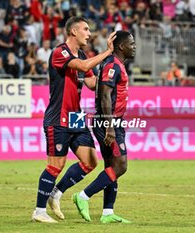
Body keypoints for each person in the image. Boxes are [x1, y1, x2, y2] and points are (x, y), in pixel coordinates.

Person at [31, 16, 116, 223]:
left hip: (76, 117)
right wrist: (108, 52)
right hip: (58, 117)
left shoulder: (82, 54)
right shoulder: (60, 52)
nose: (89, 33)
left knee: (90, 161)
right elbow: (83, 65)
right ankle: (39, 211)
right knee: (55, 165)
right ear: (73, 32)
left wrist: (112, 74)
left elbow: (91, 83)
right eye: (85, 29)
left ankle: (56, 193)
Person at [72, 30, 135, 223]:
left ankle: (108, 212)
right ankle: (82, 196)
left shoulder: (118, 65)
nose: (134, 47)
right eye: (131, 44)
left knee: (111, 166)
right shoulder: (112, 65)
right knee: (121, 166)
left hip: (113, 121)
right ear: (121, 46)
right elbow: (105, 96)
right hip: (109, 122)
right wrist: (109, 127)